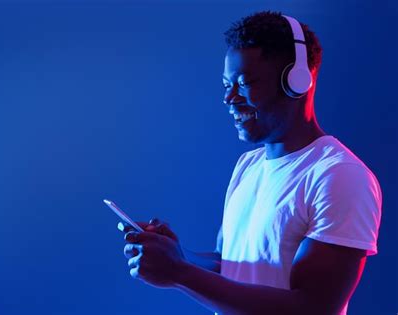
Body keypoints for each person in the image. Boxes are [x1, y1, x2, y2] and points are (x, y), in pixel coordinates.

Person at [121, 11, 382, 315]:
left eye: (244, 83)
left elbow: (311, 307)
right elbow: (230, 265)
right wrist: (176, 257)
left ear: (296, 81)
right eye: (226, 84)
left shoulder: (340, 177)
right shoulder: (249, 166)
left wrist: (180, 273)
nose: (229, 98)